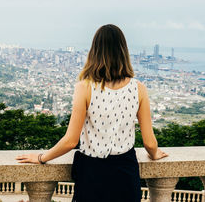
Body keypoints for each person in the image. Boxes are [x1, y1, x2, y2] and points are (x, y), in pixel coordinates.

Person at [16, 24, 168, 201]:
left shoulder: (85, 88)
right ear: (123, 52)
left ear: (94, 51)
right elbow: (149, 142)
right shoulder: (139, 89)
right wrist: (155, 154)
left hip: (92, 172)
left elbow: (71, 140)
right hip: (126, 172)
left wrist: (42, 157)